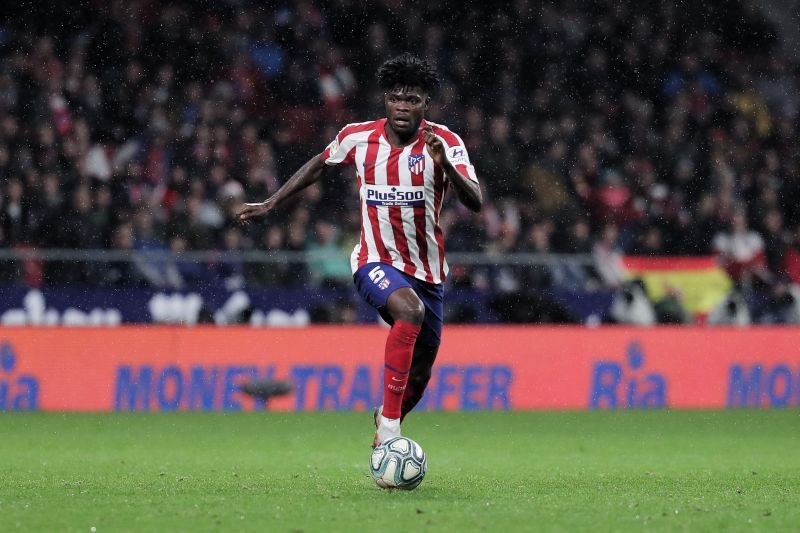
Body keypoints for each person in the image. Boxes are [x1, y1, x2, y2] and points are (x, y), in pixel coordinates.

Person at [237, 54, 482, 446]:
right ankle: (389, 432)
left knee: (418, 379)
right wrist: (271, 203)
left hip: (429, 273)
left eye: (413, 99)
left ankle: (385, 425)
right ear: (385, 100)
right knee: (408, 310)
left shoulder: (446, 142)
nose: (403, 106)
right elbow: (319, 164)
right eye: (396, 98)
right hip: (374, 260)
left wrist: (446, 168)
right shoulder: (358, 137)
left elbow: (476, 201)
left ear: (426, 105)